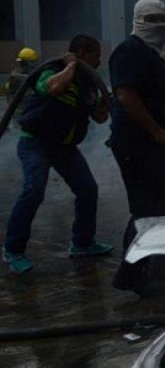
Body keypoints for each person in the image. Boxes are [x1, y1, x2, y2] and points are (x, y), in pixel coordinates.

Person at [3, 35, 112, 274]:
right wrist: (71, 64)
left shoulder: (88, 83)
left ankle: (82, 243)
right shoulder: (53, 69)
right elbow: (53, 88)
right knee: (34, 191)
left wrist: (106, 104)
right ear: (81, 53)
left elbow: (99, 117)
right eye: (96, 55)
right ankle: (13, 249)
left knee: (87, 189)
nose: (99, 61)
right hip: (36, 143)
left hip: (65, 148)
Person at [109, 0, 165, 292]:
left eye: (162, 18)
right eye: (151, 19)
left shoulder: (162, 55)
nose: (159, 25)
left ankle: (164, 265)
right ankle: (131, 276)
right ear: (138, 19)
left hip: (162, 145)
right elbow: (126, 95)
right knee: (147, 211)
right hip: (139, 144)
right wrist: (157, 132)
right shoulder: (129, 52)